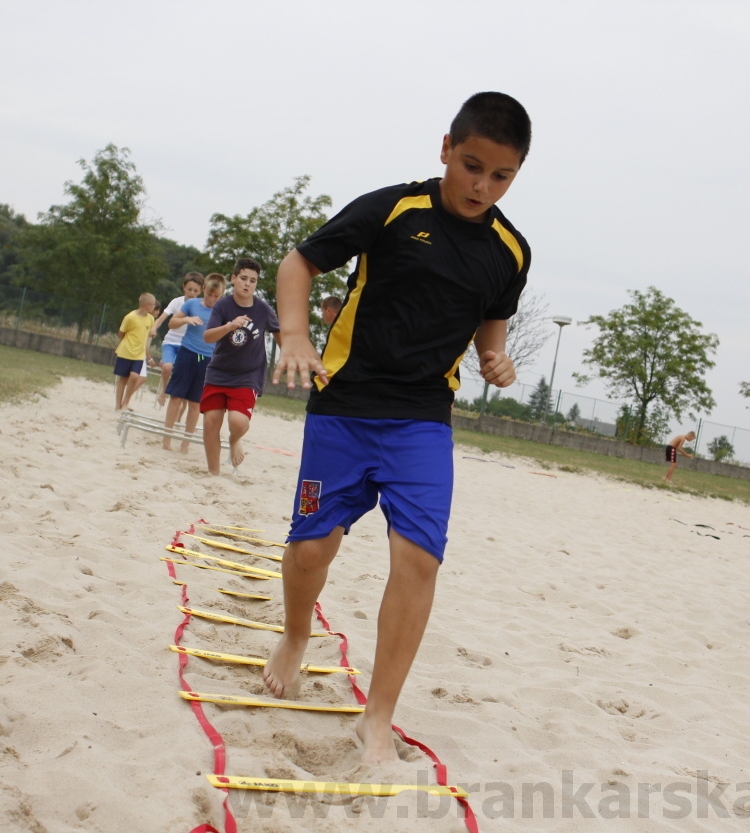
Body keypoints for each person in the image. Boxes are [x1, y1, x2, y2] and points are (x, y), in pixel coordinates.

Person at [263, 91, 532, 765]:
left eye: (500, 175)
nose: (481, 185)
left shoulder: (510, 252)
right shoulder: (392, 208)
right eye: (471, 165)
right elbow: (298, 264)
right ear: (446, 148)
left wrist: (496, 359)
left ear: (516, 173)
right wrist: (293, 335)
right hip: (344, 404)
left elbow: (490, 331)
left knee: (418, 556)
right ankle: (297, 632)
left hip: (421, 421)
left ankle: (377, 715)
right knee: (311, 550)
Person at [200, 259, 279, 474]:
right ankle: (213, 474)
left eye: (253, 281)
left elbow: (280, 333)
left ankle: (235, 440)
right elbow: (208, 337)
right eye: (243, 278)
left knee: (237, 422)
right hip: (219, 372)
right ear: (233, 279)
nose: (247, 284)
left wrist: (287, 356)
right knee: (210, 423)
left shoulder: (263, 310)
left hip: (247, 376)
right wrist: (229, 325)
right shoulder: (223, 305)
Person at [162, 274, 224, 452]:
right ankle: (167, 438)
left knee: (195, 402)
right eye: (209, 294)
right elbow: (172, 323)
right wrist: (186, 319)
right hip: (187, 353)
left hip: (207, 359)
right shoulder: (191, 304)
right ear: (204, 289)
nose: (212, 299)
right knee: (176, 397)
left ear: (221, 295)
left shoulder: (222, 311)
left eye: (216, 296)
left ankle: (185, 444)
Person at [151, 273, 204, 407]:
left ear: (201, 290)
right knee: (167, 366)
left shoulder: (201, 306)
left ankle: (179, 415)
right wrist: (154, 328)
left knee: (188, 377)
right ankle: (164, 390)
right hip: (171, 342)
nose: (192, 293)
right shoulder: (176, 302)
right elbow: (162, 318)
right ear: (184, 287)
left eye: (195, 291)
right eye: (189, 289)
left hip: (189, 346)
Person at [113, 293, 156, 411]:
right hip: (125, 352)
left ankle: (126, 402)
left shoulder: (151, 319)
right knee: (123, 379)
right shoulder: (130, 317)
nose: (154, 307)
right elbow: (121, 333)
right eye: (153, 305)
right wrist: (127, 343)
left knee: (135, 376)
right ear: (146, 305)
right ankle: (118, 404)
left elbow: (148, 334)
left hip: (139, 355)